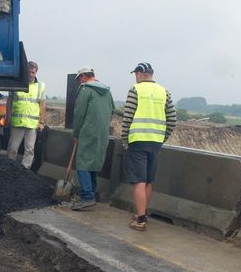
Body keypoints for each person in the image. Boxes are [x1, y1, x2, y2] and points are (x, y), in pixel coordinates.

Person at [120, 62, 177, 230]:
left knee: (139, 180)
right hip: (155, 141)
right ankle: (141, 213)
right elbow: (172, 119)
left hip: (138, 140)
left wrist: (125, 140)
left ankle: (140, 220)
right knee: (148, 181)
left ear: (139, 74)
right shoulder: (164, 92)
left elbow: (127, 117)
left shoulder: (135, 90)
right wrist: (162, 138)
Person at [71, 66, 114, 210]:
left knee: (82, 163)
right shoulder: (106, 91)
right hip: (102, 133)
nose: (78, 82)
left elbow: (79, 114)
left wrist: (76, 133)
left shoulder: (85, 89)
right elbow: (112, 109)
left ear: (83, 77)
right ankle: (92, 194)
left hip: (87, 132)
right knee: (94, 163)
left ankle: (87, 196)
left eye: (78, 79)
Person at [7, 61, 46, 169]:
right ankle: (9, 168)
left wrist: (41, 122)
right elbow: (9, 100)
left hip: (32, 125)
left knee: (30, 150)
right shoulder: (16, 84)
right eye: (29, 72)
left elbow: (42, 105)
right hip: (17, 123)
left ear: (36, 72)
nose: (30, 74)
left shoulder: (40, 86)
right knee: (12, 148)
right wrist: (8, 115)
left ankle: (25, 172)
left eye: (33, 72)